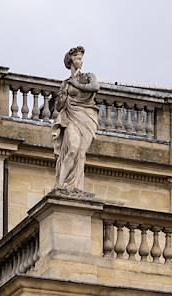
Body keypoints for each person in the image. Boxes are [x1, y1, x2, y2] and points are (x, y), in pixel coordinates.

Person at [51, 46, 101, 193]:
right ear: (71, 61)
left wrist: (76, 84)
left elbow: (95, 87)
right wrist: (61, 99)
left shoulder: (88, 76)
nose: (81, 61)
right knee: (72, 148)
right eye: (78, 58)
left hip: (86, 118)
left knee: (80, 153)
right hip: (71, 117)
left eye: (81, 58)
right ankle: (60, 184)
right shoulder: (65, 83)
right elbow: (59, 107)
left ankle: (76, 186)